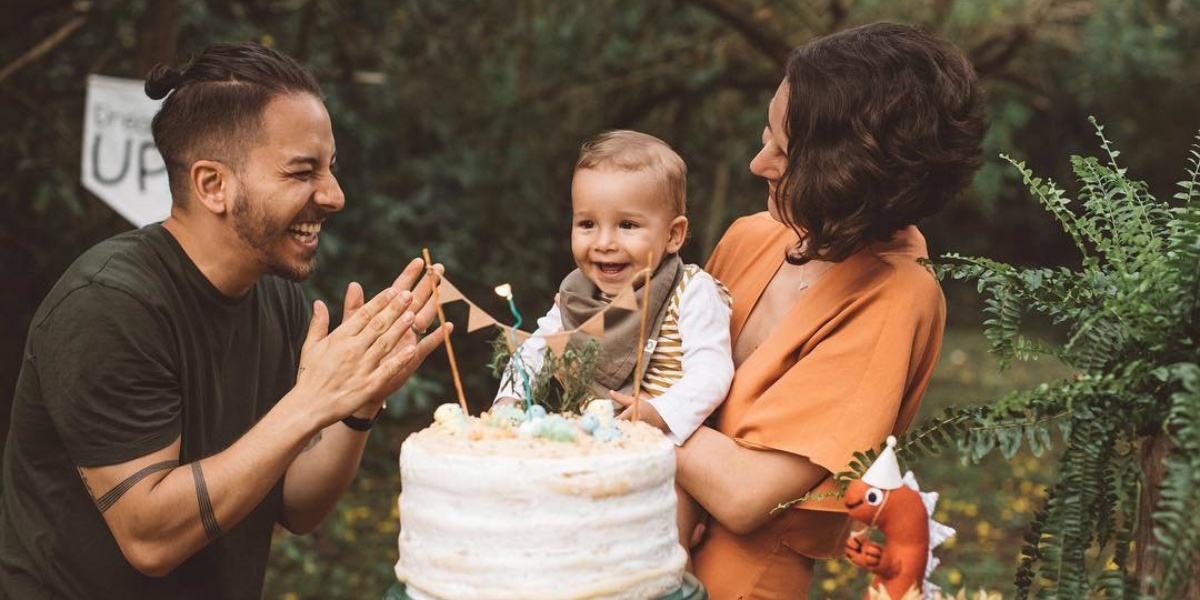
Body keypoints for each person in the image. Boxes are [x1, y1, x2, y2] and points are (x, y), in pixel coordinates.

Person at [0, 43, 450, 599]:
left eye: (330, 168)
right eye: (302, 171)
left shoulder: (273, 293)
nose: (334, 195)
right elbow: (150, 539)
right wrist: (310, 402)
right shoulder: (109, 303)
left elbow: (296, 505)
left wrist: (356, 404)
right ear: (213, 185)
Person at [656, 23, 988, 599]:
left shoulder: (896, 296)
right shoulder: (751, 236)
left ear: (851, 171)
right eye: (767, 137)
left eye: (784, 152)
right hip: (648, 542)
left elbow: (746, 494)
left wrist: (620, 408)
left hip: (738, 580)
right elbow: (666, 361)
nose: (758, 164)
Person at [494, 130, 735, 547]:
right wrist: (509, 403)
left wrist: (660, 413)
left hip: (666, 460)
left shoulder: (692, 291)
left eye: (627, 225)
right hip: (589, 450)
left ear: (674, 234)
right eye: (587, 224)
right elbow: (535, 351)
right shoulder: (575, 298)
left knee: (657, 546)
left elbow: (712, 370)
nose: (604, 243)